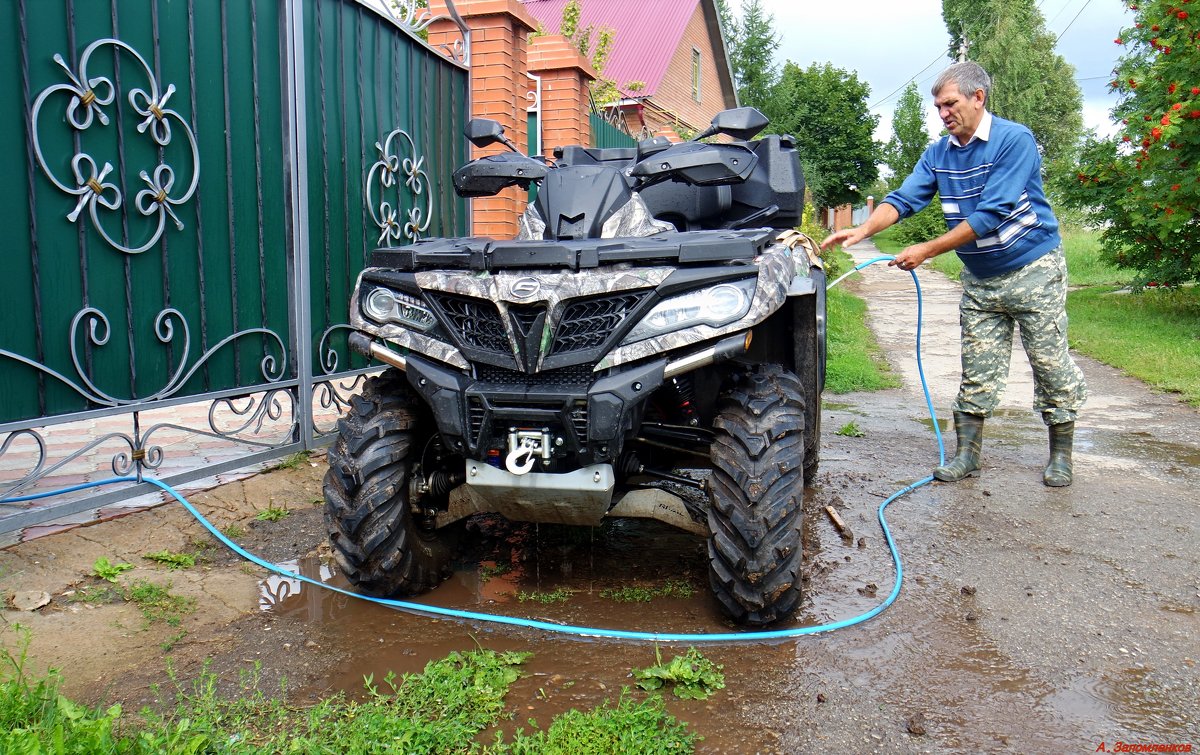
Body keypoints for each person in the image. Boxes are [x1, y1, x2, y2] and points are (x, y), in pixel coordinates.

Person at [819, 61, 1087, 487]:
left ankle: (1061, 456)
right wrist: (864, 228)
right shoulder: (939, 153)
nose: (943, 113)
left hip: (1035, 269)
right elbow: (905, 198)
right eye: (938, 106)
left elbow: (992, 213)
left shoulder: (1014, 140)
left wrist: (926, 249)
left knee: (1049, 364)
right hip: (981, 278)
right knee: (977, 366)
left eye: (950, 103)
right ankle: (966, 455)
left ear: (978, 97)